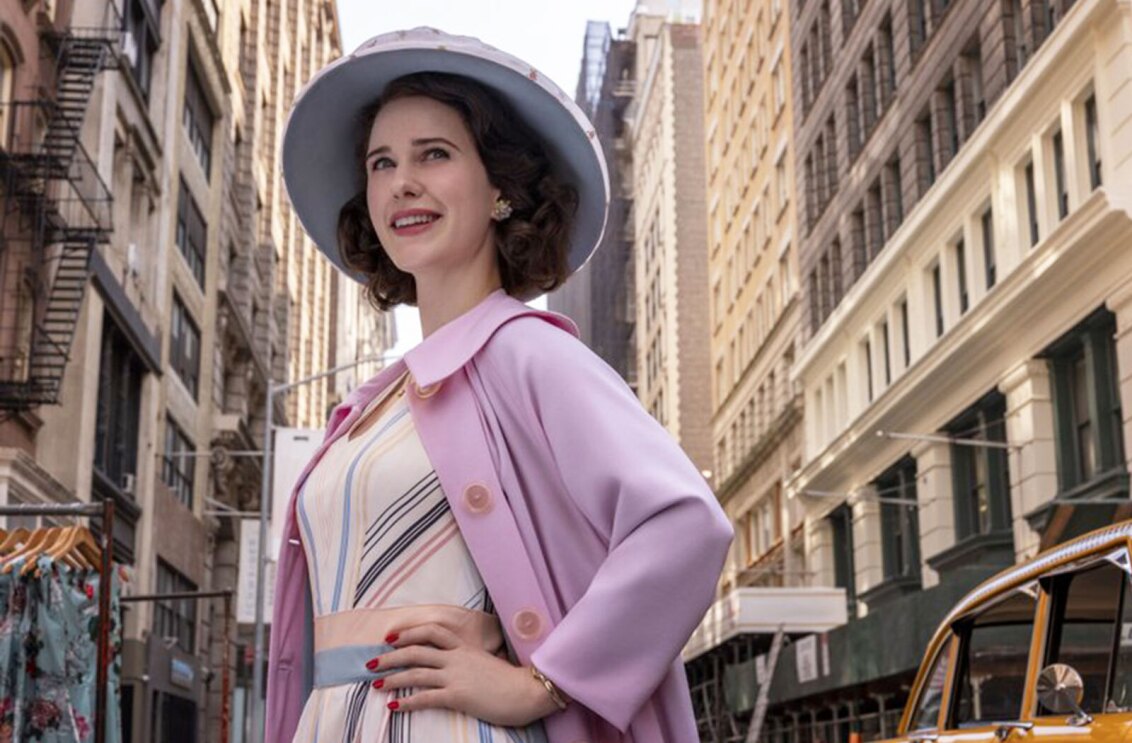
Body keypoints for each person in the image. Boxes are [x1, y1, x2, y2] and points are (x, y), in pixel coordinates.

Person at [267, 27, 733, 743]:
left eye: (435, 154)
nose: (402, 182)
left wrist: (543, 681)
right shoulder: (376, 401)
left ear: (500, 192)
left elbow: (685, 522)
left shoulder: (526, 355)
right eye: (382, 162)